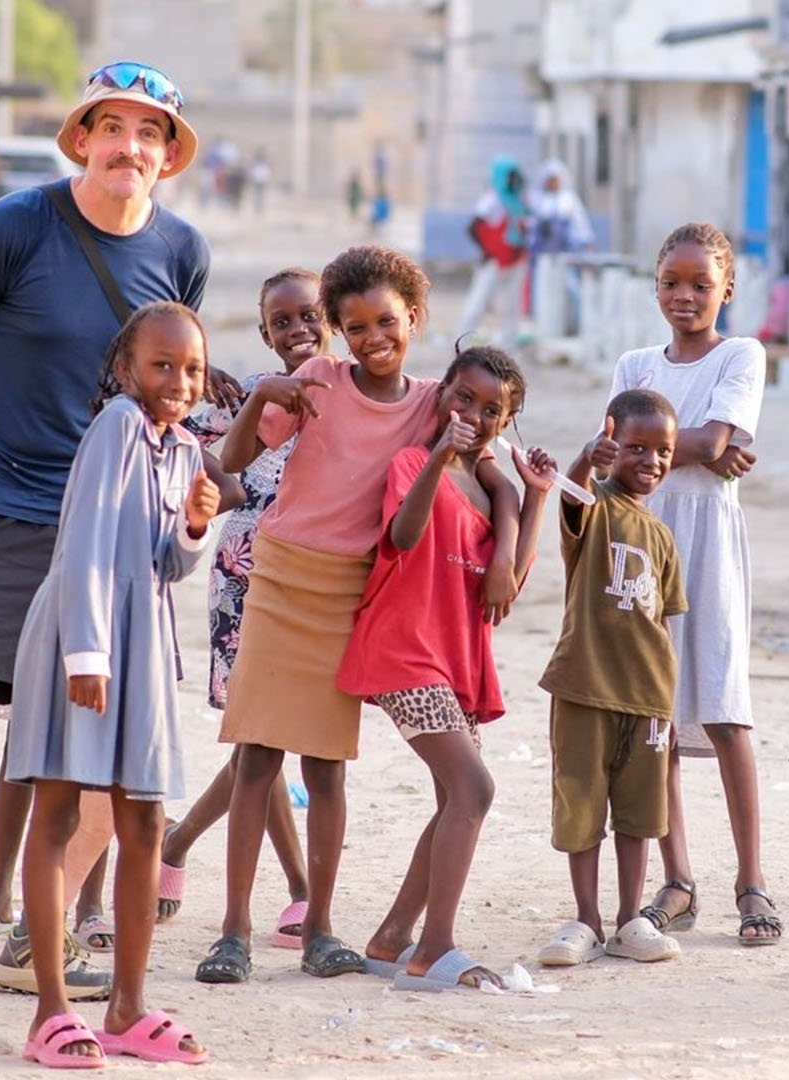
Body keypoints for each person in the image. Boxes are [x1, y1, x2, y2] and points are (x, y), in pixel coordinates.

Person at [0, 61, 216, 1026]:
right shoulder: (11, 230)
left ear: (168, 155)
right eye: (111, 127)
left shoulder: (184, 251)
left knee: (118, 736)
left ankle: (44, 928)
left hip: (113, 529)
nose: (129, 147)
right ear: (81, 140)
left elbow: (169, 385)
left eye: (149, 132)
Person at [201, 246, 520, 984]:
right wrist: (264, 395)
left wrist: (504, 554)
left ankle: (319, 930)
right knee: (257, 758)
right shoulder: (316, 380)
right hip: (283, 582)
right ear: (338, 332)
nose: (374, 338)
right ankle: (233, 933)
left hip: (353, 592)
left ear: (416, 317)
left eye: (388, 321)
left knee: (328, 765)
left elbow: (497, 478)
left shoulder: (437, 401)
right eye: (356, 327)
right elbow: (234, 458)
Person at [7, 302, 217, 1067]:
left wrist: (195, 528)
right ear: (127, 368)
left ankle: (128, 1006)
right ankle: (51, 1011)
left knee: (146, 822)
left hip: (145, 645)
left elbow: (164, 565)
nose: (178, 381)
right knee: (58, 809)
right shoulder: (116, 428)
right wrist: (85, 655)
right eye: (162, 365)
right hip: (81, 635)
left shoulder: (186, 449)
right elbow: (90, 538)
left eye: (192, 368)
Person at [342, 346, 553, 990]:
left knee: (452, 802)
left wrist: (534, 498)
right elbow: (402, 539)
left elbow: (507, 586)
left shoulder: (497, 495)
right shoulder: (413, 462)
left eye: (493, 409)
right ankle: (435, 947)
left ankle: (392, 936)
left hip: (456, 658)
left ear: (506, 421)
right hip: (405, 650)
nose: (474, 414)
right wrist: (438, 458)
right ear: (442, 397)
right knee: (476, 790)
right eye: (464, 398)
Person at [610, 223, 779, 946]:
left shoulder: (742, 353)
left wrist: (650, 448)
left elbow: (711, 443)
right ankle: (677, 881)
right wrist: (697, 446)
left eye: (700, 285)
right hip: (641, 543)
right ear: (654, 286)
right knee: (656, 718)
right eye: (671, 283)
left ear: (727, 291)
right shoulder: (634, 361)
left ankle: (753, 882)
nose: (684, 296)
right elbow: (619, 458)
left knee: (724, 707)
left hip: (707, 542)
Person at [159, 269, 322, 936]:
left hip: (317, 578)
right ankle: (302, 888)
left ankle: (178, 843)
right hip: (244, 574)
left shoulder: (356, 393)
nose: (298, 330)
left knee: (273, 737)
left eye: (309, 316)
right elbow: (174, 418)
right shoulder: (250, 394)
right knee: (264, 735)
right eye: (282, 322)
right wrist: (209, 373)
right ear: (266, 334)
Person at [535, 390, 686, 967]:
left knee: (639, 812)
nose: (650, 460)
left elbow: (664, 628)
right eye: (637, 447)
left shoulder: (663, 537)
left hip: (647, 696)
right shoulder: (592, 506)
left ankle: (628, 921)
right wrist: (584, 462)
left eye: (663, 451)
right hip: (583, 686)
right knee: (581, 804)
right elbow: (568, 496)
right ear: (612, 443)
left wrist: (669, 708)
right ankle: (585, 920)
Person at [454, 155, 529, 346]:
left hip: (515, 260)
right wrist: (487, 250)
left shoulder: (519, 200)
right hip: (495, 260)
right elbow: (473, 226)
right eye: (510, 177)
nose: (514, 180)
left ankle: (507, 346)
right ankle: (463, 342)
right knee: (478, 304)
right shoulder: (492, 199)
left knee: (511, 307)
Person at [530, 159, 594, 338]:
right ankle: (545, 329)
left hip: (566, 257)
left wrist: (586, 247)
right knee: (544, 294)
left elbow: (581, 227)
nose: (552, 183)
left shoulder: (569, 201)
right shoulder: (538, 201)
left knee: (572, 291)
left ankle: (573, 328)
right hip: (543, 259)